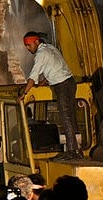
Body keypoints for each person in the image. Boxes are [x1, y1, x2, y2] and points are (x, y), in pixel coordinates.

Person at [18, 31, 82, 160]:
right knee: (71, 116)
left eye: (29, 45)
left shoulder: (41, 54)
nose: (28, 48)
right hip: (70, 82)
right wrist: (44, 82)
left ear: (36, 42)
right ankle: (78, 150)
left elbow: (32, 76)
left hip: (62, 86)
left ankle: (71, 150)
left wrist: (24, 94)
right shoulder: (50, 48)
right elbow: (56, 67)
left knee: (66, 118)